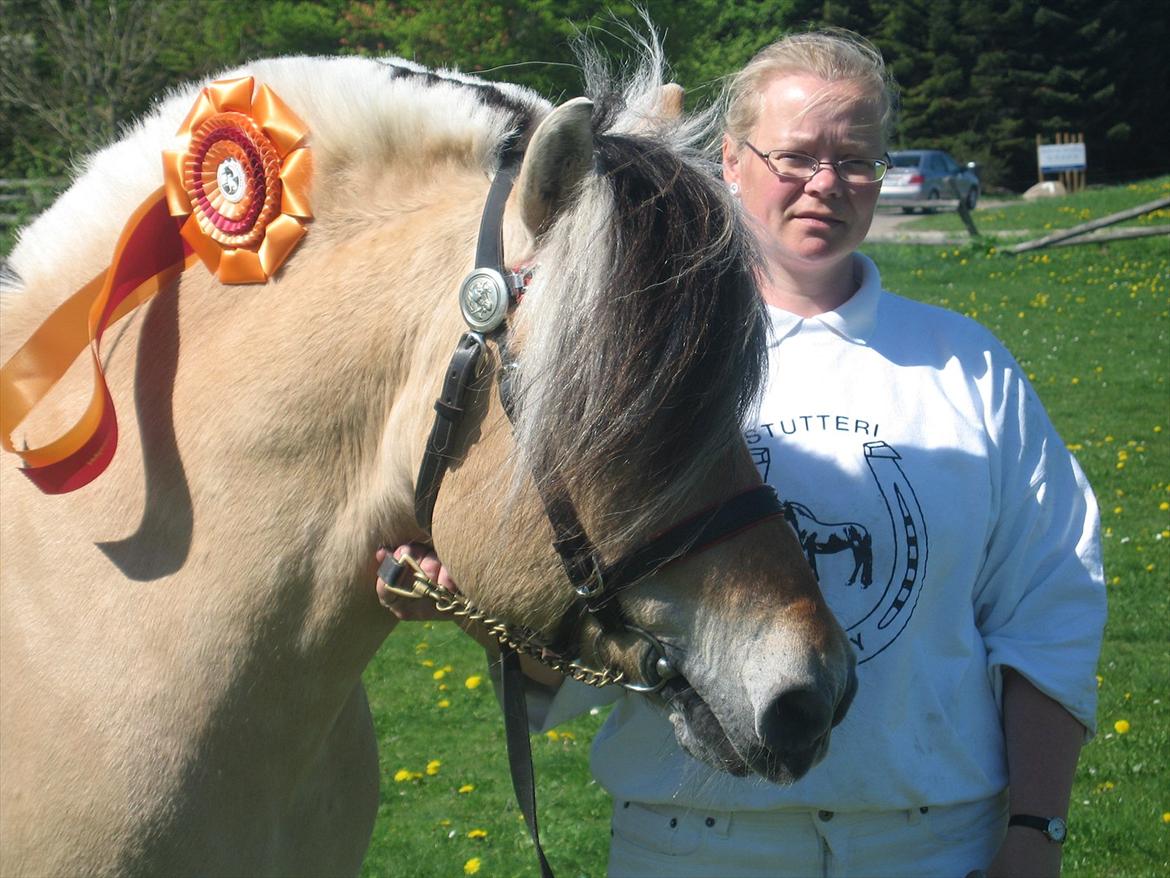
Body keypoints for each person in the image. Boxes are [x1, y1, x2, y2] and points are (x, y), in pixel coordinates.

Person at [378, 29, 1105, 878]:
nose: (825, 184)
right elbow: (607, 618)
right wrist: (483, 614)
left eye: (857, 160)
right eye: (796, 156)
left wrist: (1035, 831)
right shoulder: (642, 367)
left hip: (934, 842)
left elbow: (1049, 610)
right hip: (690, 844)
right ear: (731, 159)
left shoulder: (970, 367)